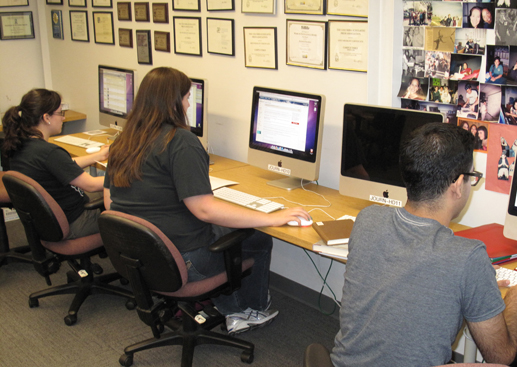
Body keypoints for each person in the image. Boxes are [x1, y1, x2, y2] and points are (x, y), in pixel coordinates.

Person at [330, 123, 517, 367]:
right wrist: (516, 299)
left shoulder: (368, 219)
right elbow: (500, 355)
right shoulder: (467, 257)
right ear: (458, 184)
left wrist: (472, 285)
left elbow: (410, 281)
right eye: (473, 178)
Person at [103, 67, 311, 335]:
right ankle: (245, 311)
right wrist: (272, 218)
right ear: (173, 102)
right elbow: (204, 209)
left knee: (226, 233)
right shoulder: (180, 142)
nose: (189, 105)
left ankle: (224, 303)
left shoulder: (123, 141)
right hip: (182, 261)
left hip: (141, 256)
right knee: (258, 239)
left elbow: (110, 204)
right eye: (188, 98)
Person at [1, 89, 108, 239]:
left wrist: (98, 156)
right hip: (74, 221)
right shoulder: (49, 152)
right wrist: (126, 177)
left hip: (47, 222)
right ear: (46, 117)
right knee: (125, 208)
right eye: (60, 113)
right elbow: (90, 185)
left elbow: (63, 166)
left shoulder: (21, 143)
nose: (63, 118)